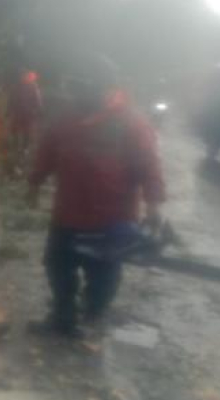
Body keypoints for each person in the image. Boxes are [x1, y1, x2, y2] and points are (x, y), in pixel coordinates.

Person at [27, 56, 165, 338]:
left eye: (86, 89)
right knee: (57, 265)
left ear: (107, 89)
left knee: (103, 274)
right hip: (67, 213)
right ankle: (63, 316)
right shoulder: (66, 117)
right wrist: (35, 183)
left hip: (111, 217)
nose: (79, 95)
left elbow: (148, 165)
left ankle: (91, 311)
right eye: (76, 89)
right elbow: (47, 150)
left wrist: (153, 204)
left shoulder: (131, 123)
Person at [7, 68, 43, 165]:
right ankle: (16, 147)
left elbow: (38, 102)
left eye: (28, 77)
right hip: (19, 112)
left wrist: (37, 112)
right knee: (15, 130)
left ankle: (24, 149)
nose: (26, 78)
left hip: (28, 114)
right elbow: (12, 98)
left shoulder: (34, 88)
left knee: (26, 133)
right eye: (25, 76)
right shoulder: (19, 86)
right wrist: (9, 110)